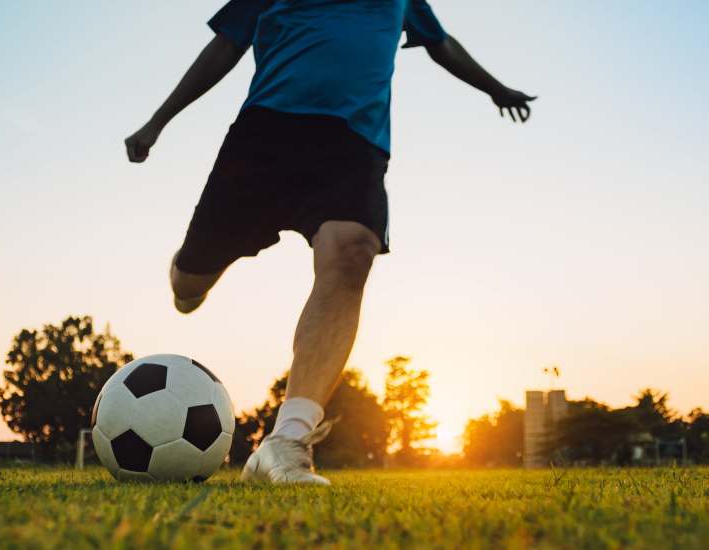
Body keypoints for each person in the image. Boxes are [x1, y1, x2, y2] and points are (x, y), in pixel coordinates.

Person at [124, 0, 535, 485]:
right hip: (266, 135)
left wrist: (495, 89)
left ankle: (286, 442)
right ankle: (190, 275)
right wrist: (157, 121)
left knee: (352, 251)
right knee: (188, 284)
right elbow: (224, 46)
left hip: (353, 141)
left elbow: (440, 44)